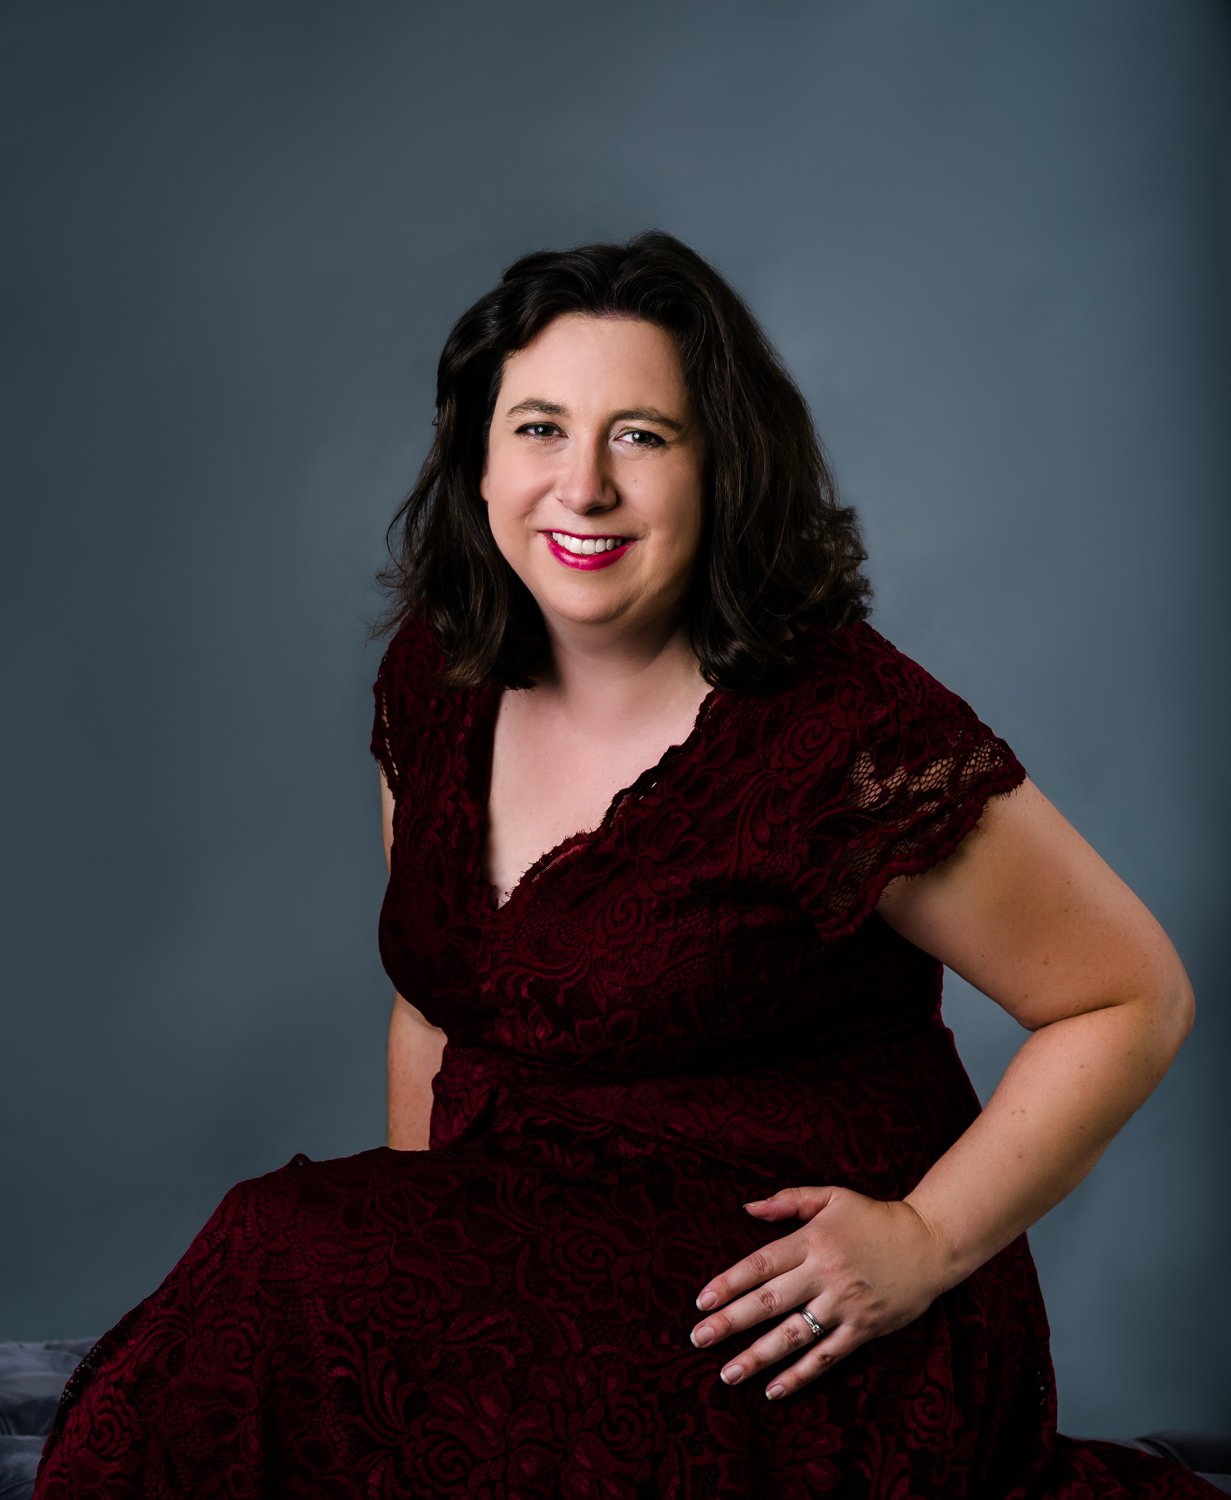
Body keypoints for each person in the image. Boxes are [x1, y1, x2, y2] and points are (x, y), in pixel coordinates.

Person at [31, 230, 1221, 1498]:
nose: (582, 486)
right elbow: (439, 998)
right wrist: (412, 1273)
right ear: (477, 458)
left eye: (641, 436)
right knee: (292, 1269)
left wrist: (924, 1242)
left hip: (786, 1318)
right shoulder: (436, 679)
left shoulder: (841, 734)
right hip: (535, 1255)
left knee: (277, 1252)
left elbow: (1130, 997)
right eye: (539, 428)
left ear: (721, 469)